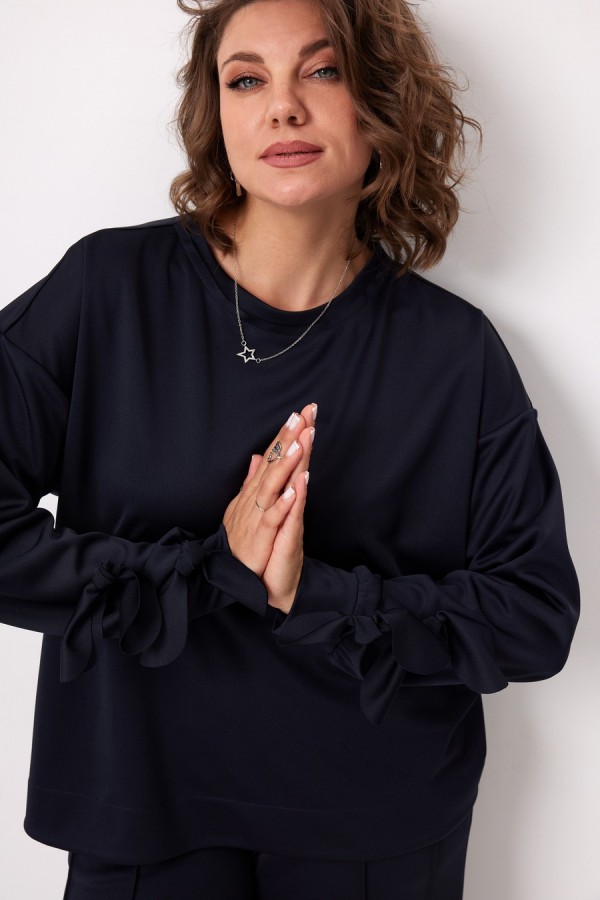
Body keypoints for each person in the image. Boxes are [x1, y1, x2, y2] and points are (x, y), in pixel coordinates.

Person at [0, 0, 579, 896]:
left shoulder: (454, 352)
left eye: (323, 70)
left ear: (379, 102)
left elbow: (533, 617)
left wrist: (314, 593)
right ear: (216, 115)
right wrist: (206, 573)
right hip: (148, 815)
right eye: (246, 79)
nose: (282, 106)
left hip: (376, 836)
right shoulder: (106, 291)